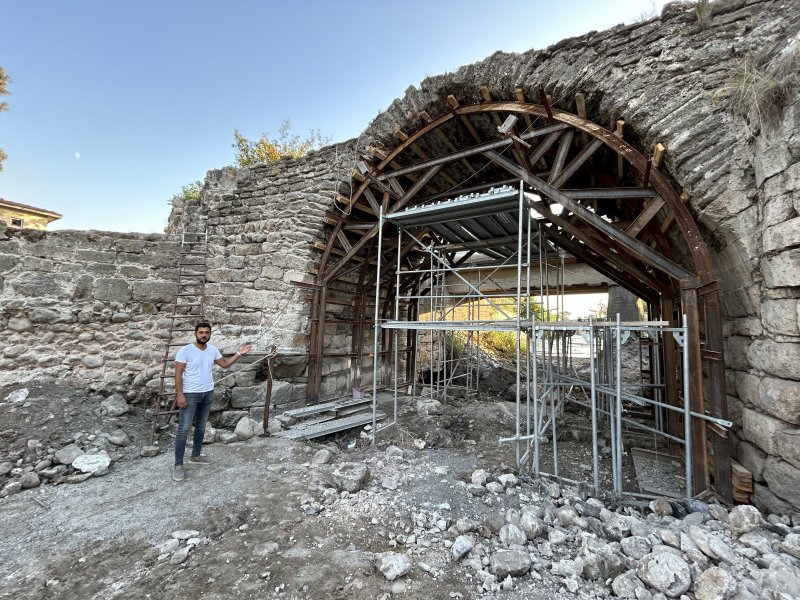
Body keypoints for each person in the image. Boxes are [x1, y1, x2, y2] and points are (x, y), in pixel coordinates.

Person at [172, 322, 251, 482]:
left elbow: (225, 364)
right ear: (195, 334)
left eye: (207, 332)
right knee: (184, 428)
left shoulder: (212, 349)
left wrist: (239, 353)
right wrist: (180, 395)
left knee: (201, 426)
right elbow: (178, 374)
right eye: (201, 332)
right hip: (190, 394)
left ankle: (195, 455)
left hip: (207, 393)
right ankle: (178, 465)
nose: (204, 335)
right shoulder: (185, 350)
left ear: (210, 334)